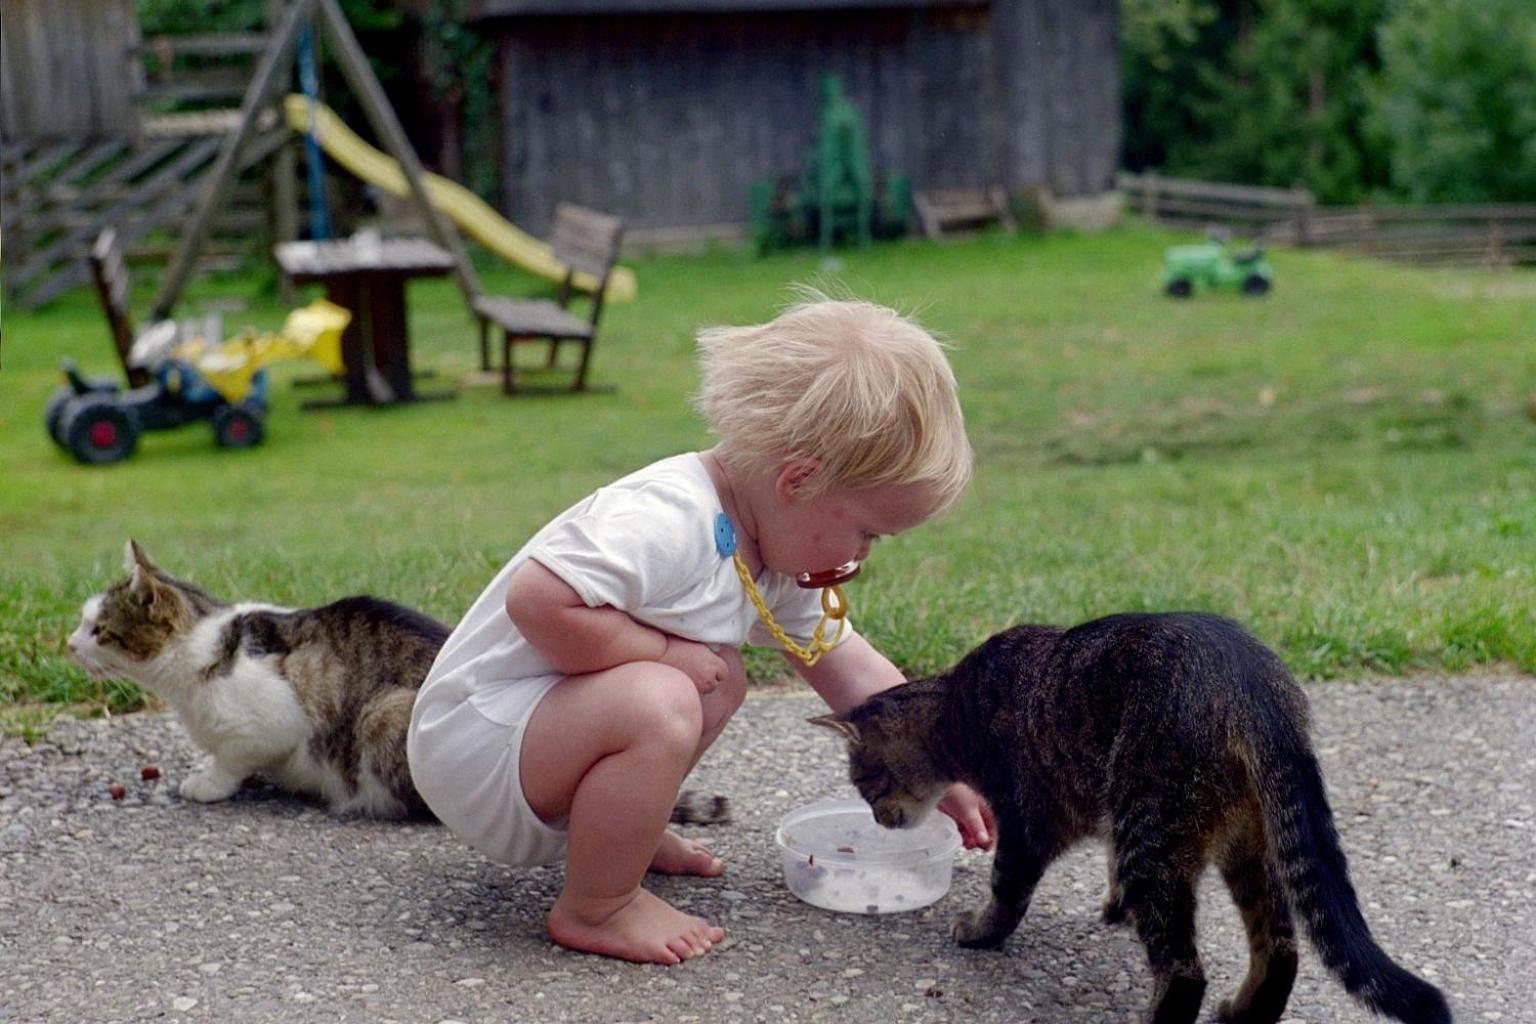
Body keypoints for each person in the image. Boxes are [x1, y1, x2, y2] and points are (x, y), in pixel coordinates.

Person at [407, 297, 994, 967]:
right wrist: (660, 652)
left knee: (717, 678)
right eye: (867, 531)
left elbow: (843, 663)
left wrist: (943, 761)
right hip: (475, 743)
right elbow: (539, 600)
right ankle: (598, 906)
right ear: (798, 480)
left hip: (532, 740)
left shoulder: (772, 545)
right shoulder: (668, 517)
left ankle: (620, 832)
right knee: (669, 694)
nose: (863, 556)